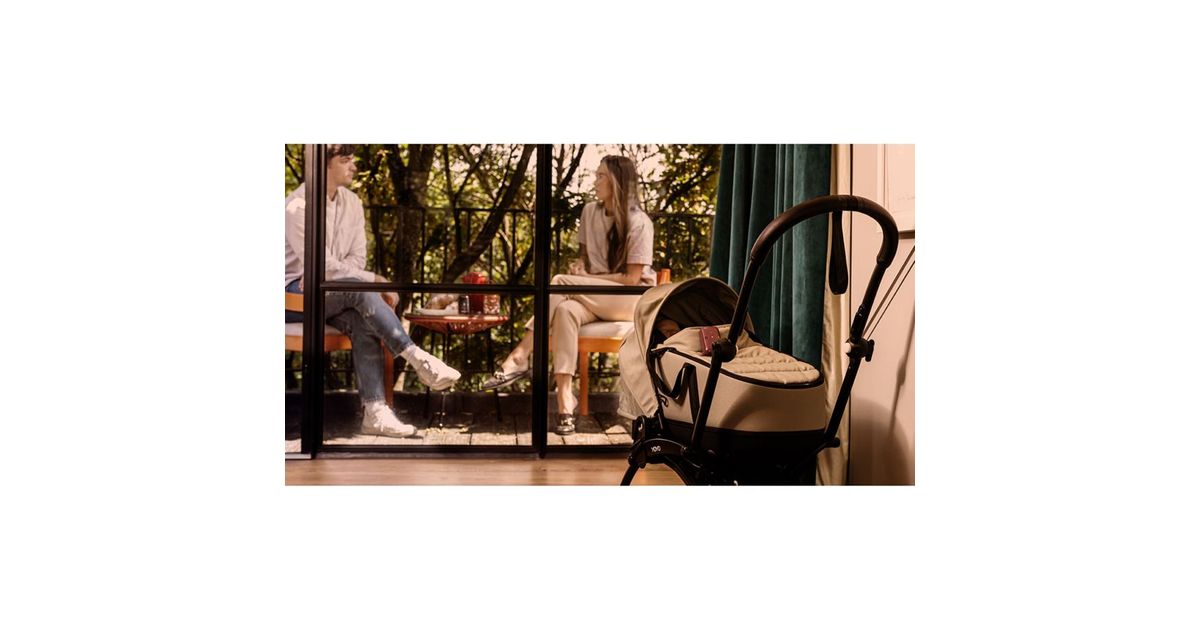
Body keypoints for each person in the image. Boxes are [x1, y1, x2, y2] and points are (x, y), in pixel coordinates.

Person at [285, 144, 461, 438]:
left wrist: (338, 274)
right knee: (363, 289)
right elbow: (322, 267)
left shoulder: (352, 203)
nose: (353, 167)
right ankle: (417, 357)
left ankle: (375, 412)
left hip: (330, 293)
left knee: (361, 315)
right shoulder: (297, 208)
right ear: (323, 166)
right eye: (345, 161)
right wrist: (370, 278)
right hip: (292, 296)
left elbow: (355, 259)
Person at [482, 155, 656, 435]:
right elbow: (587, 260)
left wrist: (583, 279)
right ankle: (565, 402)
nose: (595, 182)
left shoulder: (639, 222)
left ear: (617, 182)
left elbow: (632, 279)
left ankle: (521, 354)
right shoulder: (589, 213)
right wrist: (581, 269)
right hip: (593, 296)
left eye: (601, 176)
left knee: (560, 281)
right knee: (564, 310)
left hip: (629, 299)